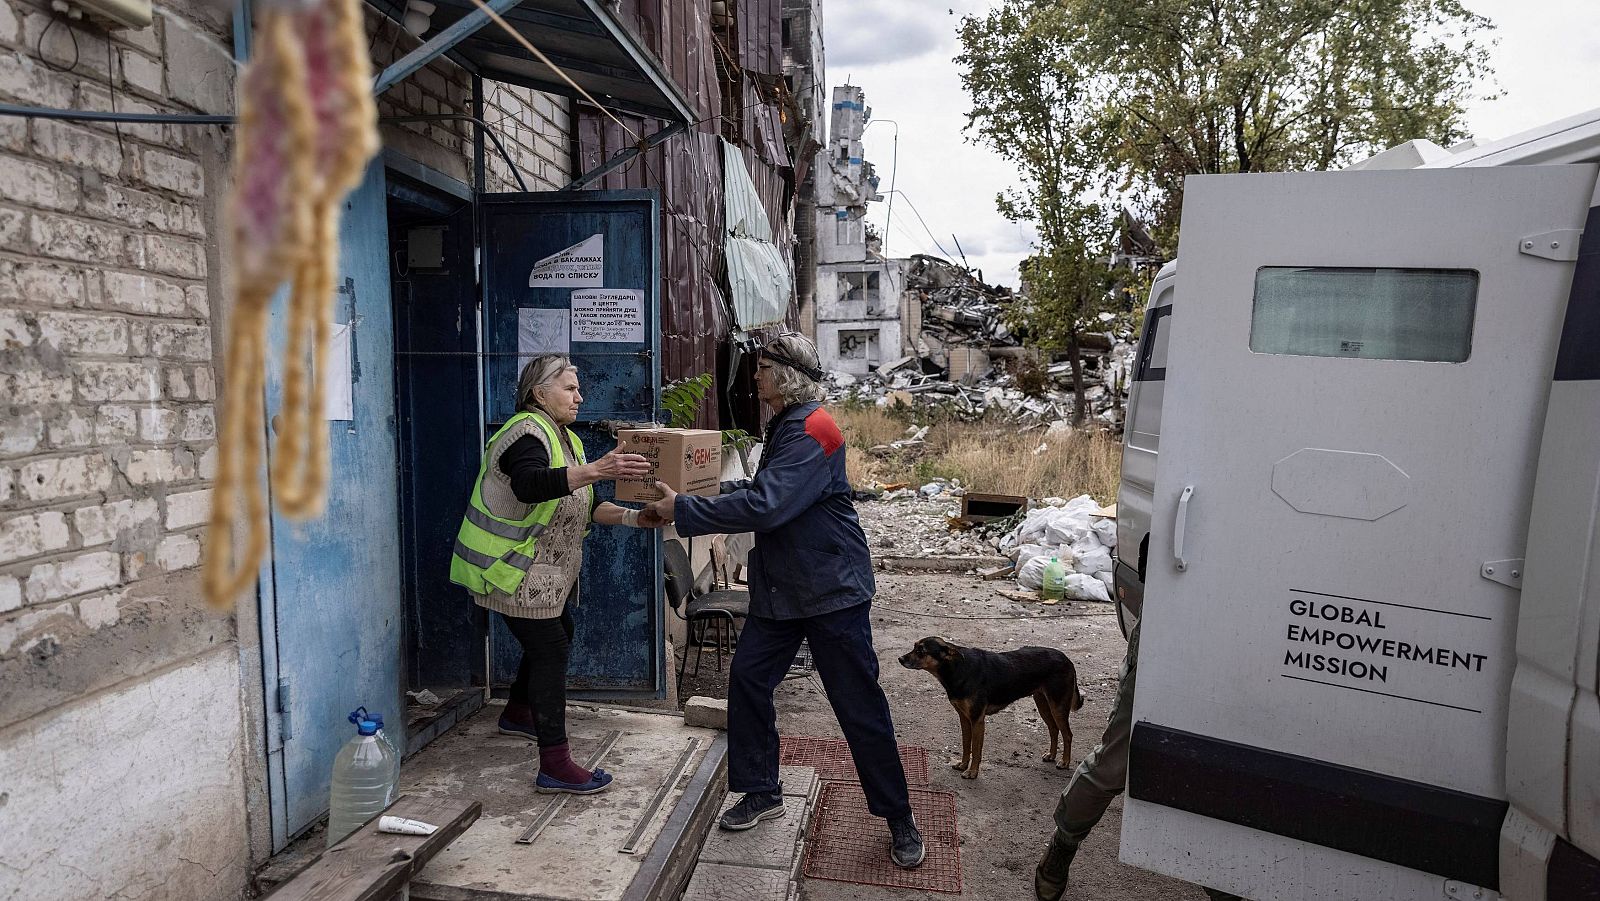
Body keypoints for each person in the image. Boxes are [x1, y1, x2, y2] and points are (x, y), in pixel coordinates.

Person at [642, 333, 925, 868]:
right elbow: (761, 490)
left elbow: (769, 505)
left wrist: (685, 509)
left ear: (787, 375)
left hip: (831, 590)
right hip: (784, 587)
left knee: (858, 706)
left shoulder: (813, 428)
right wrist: (698, 496)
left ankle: (899, 817)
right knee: (749, 680)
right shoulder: (789, 424)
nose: (755, 376)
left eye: (763, 367)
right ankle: (762, 791)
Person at [449, 354, 653, 795]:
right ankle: (555, 765)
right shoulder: (526, 432)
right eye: (570, 388)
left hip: (539, 573)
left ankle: (519, 712)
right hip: (509, 568)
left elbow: (585, 504)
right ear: (540, 393)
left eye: (578, 388)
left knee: (559, 632)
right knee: (551, 649)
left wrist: (636, 518)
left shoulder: (566, 439)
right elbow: (530, 485)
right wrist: (599, 469)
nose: (580, 397)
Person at [1033, 618, 1239, 901]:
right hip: (1169, 640)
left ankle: (1227, 884)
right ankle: (1064, 843)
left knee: (1228, 773)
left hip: (1248, 656)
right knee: (1112, 765)